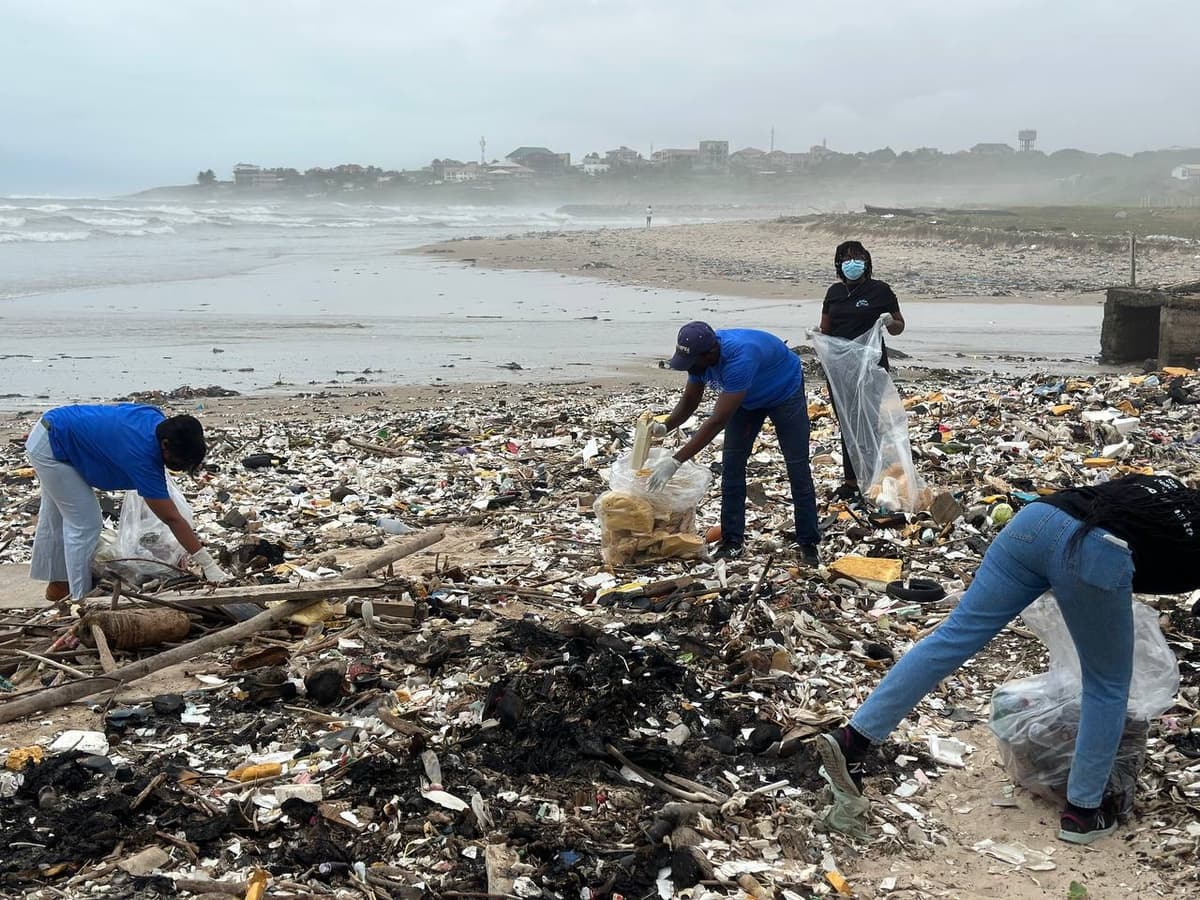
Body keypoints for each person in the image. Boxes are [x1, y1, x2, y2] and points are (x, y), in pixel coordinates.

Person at [815, 474, 1200, 845]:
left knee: (952, 637)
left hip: (1036, 521)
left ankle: (855, 737)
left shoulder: (1164, 489)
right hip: (1095, 550)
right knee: (1107, 685)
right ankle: (1084, 811)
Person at [648, 321, 820, 564]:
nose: (691, 368)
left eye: (693, 363)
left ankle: (809, 542)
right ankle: (732, 541)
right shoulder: (698, 359)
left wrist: (676, 461)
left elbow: (717, 420)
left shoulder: (740, 359)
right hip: (746, 400)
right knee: (732, 466)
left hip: (784, 393)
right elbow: (690, 400)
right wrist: (667, 425)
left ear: (711, 354)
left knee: (797, 466)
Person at [25, 404, 234, 602]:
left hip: (57, 425)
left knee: (58, 516)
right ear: (165, 445)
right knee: (85, 524)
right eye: (178, 461)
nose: (177, 466)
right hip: (52, 447)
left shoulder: (156, 420)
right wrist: (207, 564)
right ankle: (80, 599)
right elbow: (171, 518)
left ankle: (59, 586)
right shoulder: (142, 455)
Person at [819, 240, 905, 500]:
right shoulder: (833, 293)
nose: (852, 263)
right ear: (838, 264)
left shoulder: (880, 291)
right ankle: (850, 480)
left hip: (870, 368)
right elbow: (826, 329)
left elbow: (899, 325)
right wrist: (818, 340)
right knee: (847, 422)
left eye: (857, 258)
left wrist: (889, 321)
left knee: (870, 422)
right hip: (841, 370)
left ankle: (874, 475)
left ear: (866, 262)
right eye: (846, 258)